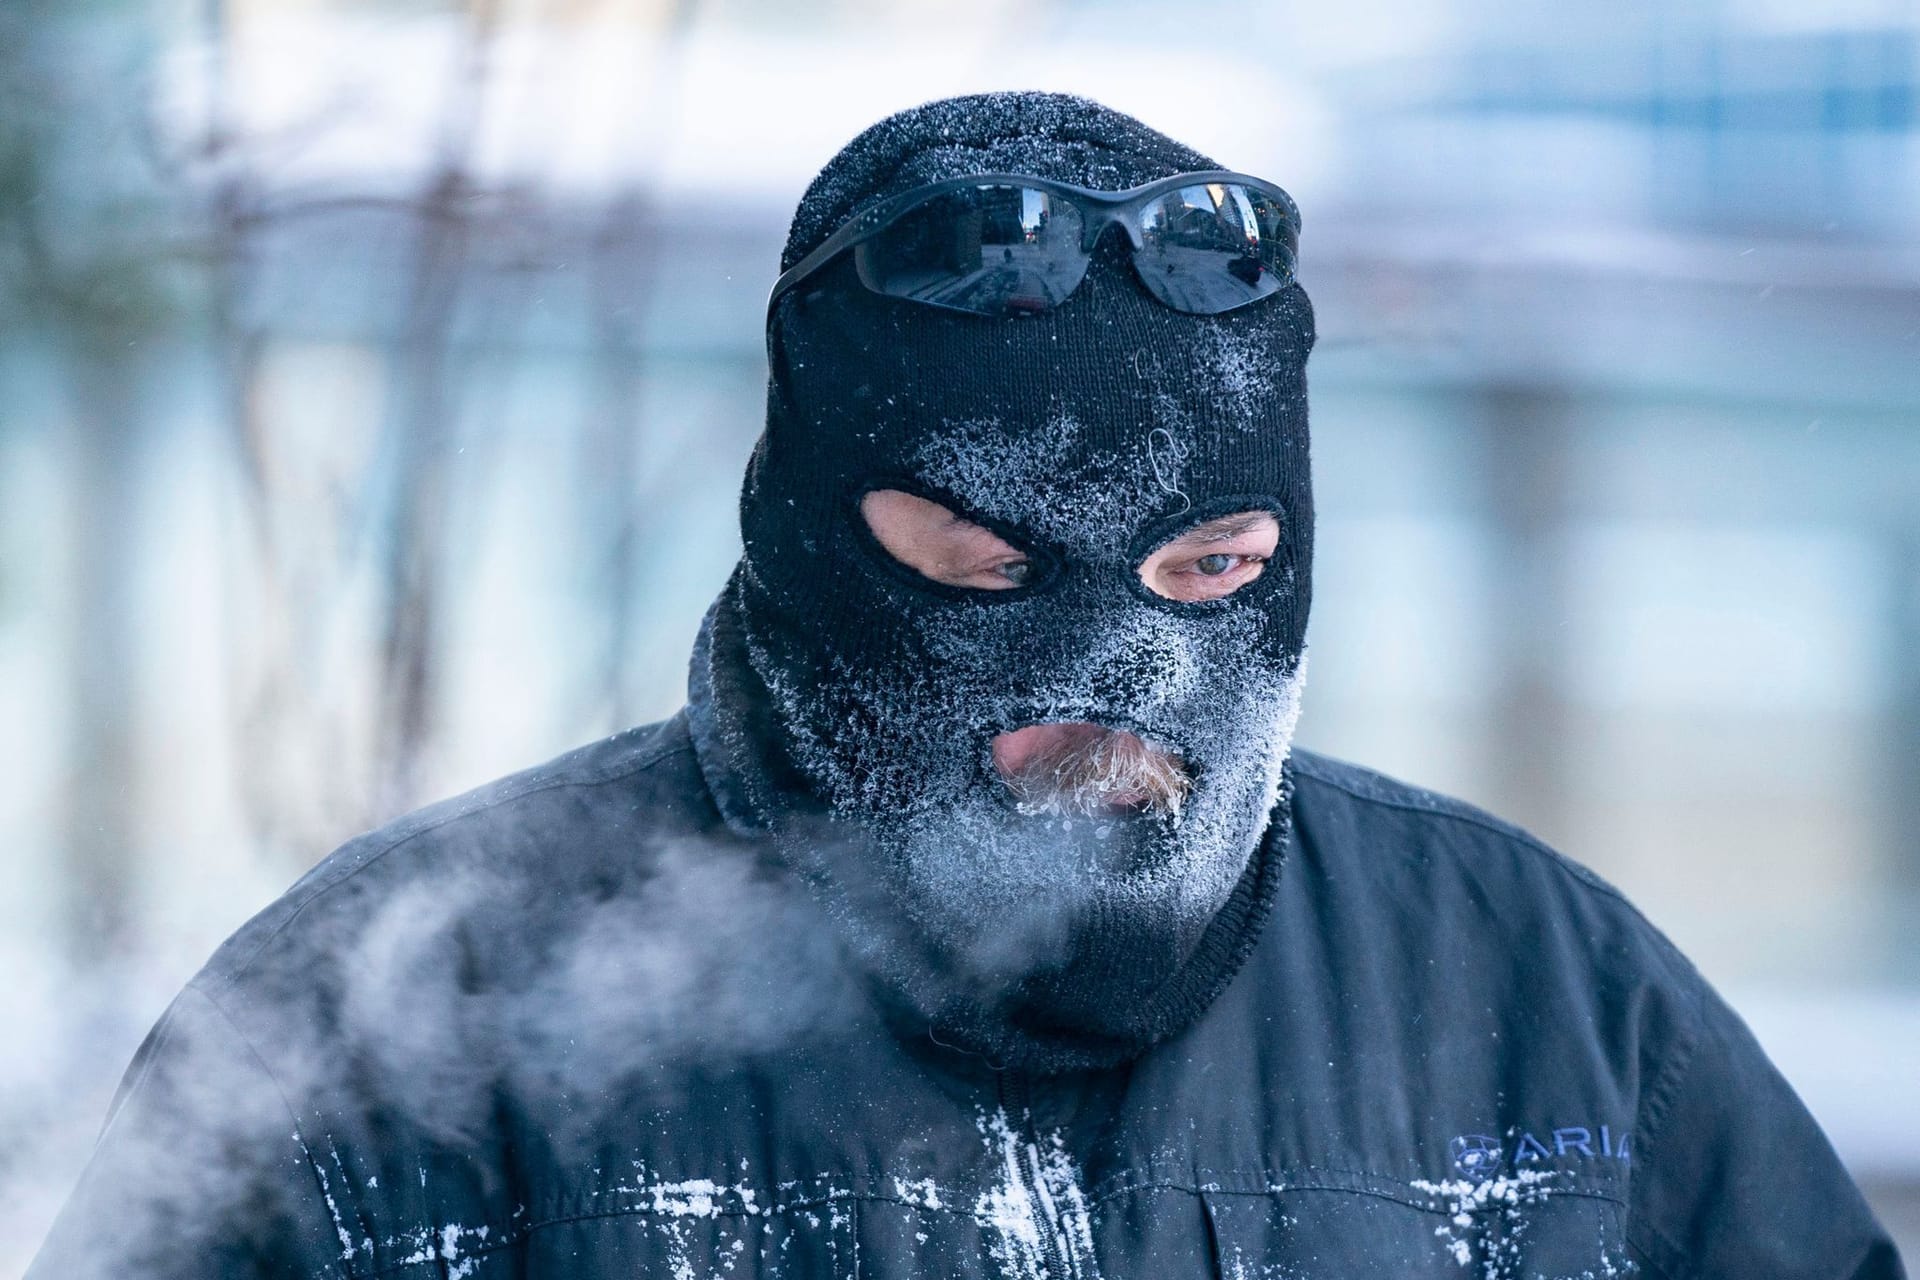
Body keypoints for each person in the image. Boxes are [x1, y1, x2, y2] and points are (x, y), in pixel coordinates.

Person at [29, 91, 1905, 1280]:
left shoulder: (1541, 1012)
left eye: (1210, 576)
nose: (1114, 681)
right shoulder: (400, 1033)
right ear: (812, 534)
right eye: (986, 575)